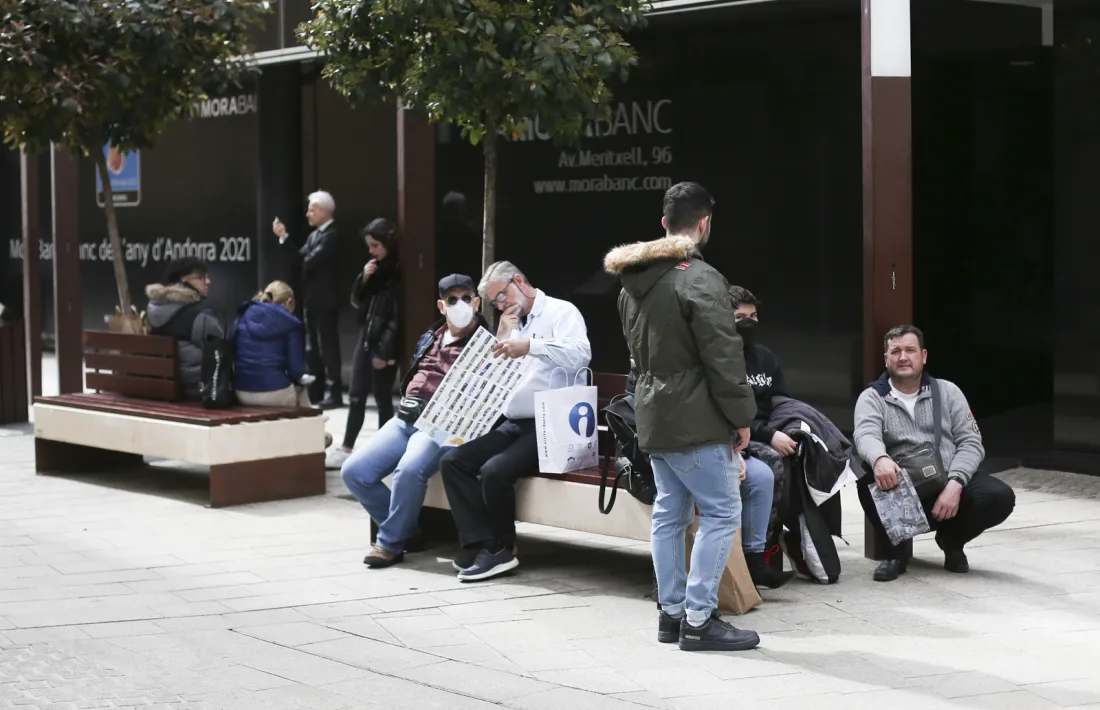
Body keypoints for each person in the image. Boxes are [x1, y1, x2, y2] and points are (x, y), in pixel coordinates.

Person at [603, 181, 760, 652]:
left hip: (654, 413)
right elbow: (724, 357)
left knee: (670, 513)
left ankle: (671, 615)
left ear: (664, 224)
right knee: (721, 510)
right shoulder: (701, 278)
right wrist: (742, 416)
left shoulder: (633, 282)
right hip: (696, 416)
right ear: (705, 223)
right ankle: (698, 620)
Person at [439, 261, 591, 582]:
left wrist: (530, 346)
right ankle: (480, 542)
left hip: (552, 423)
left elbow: (581, 354)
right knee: (454, 461)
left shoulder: (561, 312)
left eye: (502, 296)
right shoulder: (514, 324)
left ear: (518, 281)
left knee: (495, 470)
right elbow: (488, 378)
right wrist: (503, 335)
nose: (501, 305)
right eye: (495, 303)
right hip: (513, 421)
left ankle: (501, 550)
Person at [853, 324, 1016, 582]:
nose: (903, 357)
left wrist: (956, 483)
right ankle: (896, 554)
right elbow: (865, 435)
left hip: (947, 481)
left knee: (999, 496)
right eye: (895, 351)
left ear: (924, 356)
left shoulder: (948, 391)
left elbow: (971, 442)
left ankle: (951, 540)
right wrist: (879, 458)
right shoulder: (872, 398)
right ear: (886, 359)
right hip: (905, 488)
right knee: (867, 483)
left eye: (910, 350)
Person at [342, 275, 485, 568]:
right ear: (441, 306)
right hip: (405, 419)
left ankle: (390, 544)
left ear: (477, 302)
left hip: (441, 423)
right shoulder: (431, 335)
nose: (460, 304)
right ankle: (408, 531)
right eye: (452, 299)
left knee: (408, 471)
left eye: (466, 298)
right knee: (354, 471)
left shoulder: (486, 344)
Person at [728, 285, 796, 590]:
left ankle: (800, 545)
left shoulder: (764, 357)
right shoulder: (721, 359)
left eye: (753, 316)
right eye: (740, 317)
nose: (748, 324)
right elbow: (729, 414)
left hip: (764, 433)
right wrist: (770, 435)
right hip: (736, 437)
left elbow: (782, 400)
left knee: (805, 455)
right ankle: (765, 552)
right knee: (770, 463)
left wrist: (792, 428)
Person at [326, 219, 400, 470]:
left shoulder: (397, 272)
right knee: (356, 395)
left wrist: (385, 351)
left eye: (376, 245)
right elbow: (357, 300)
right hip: (366, 339)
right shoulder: (374, 269)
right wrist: (363, 277)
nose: (372, 250)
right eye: (369, 245)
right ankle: (347, 446)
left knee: (383, 398)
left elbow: (396, 317)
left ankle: (384, 450)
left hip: (382, 343)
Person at [271, 190, 343, 409]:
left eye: (311, 210)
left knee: (328, 347)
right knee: (313, 348)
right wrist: (284, 238)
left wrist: (302, 260)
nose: (308, 214)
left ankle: (335, 391)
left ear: (323, 211)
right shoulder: (314, 236)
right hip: (312, 299)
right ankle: (318, 389)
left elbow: (310, 261)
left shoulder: (332, 235)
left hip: (326, 300)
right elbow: (299, 258)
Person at [145, 258, 224, 401]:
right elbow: (222, 351)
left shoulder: (153, 311)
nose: (208, 281)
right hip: (195, 389)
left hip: (162, 387)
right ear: (184, 280)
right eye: (201, 277)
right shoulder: (201, 315)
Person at [232, 281, 310, 409]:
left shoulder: (243, 314)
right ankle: (315, 423)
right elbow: (296, 370)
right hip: (276, 391)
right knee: (301, 389)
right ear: (289, 302)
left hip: (241, 391)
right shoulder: (290, 323)